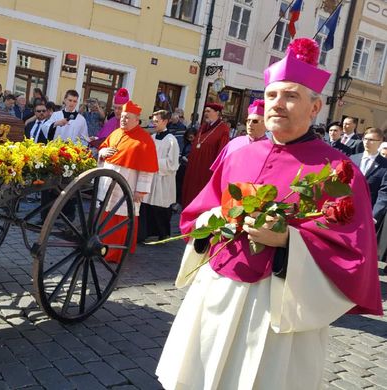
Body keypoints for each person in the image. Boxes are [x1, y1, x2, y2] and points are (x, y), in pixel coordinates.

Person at [156, 38, 383, 389]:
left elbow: (353, 252)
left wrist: (288, 240)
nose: (278, 104)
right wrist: (216, 218)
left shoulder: (337, 170)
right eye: (273, 95)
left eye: (291, 96)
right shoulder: (239, 155)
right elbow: (198, 213)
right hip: (219, 289)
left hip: (279, 303)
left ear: (315, 106)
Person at [97, 101, 159, 263]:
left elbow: (147, 170)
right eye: (122, 117)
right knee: (104, 214)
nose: (123, 120)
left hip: (128, 185)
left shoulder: (144, 140)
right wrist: (102, 151)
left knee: (121, 219)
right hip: (107, 183)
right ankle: (100, 246)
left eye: (127, 117)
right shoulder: (116, 132)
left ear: (137, 120)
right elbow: (102, 149)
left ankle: (113, 253)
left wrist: (141, 191)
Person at [138, 110, 179, 243]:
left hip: (163, 178)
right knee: (146, 205)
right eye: (153, 121)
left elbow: (172, 163)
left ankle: (162, 233)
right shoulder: (152, 137)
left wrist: (155, 162)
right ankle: (144, 234)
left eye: (156, 121)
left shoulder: (171, 140)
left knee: (160, 207)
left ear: (165, 121)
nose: (153, 123)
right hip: (151, 176)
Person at [181, 103, 230, 206]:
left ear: (217, 113)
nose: (205, 114)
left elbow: (221, 154)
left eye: (208, 111)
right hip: (193, 169)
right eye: (205, 111)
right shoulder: (203, 127)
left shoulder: (223, 129)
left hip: (206, 171)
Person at [210, 99, 268, 170]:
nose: (250, 124)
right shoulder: (234, 143)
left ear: (266, 124)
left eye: (255, 121)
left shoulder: (269, 148)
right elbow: (219, 171)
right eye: (248, 120)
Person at [349, 127, 387, 211]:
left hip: (368, 210)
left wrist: (374, 215)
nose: (367, 142)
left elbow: (383, 195)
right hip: (347, 207)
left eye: (371, 140)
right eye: (365, 139)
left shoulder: (384, 165)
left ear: (380, 142)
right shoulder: (352, 158)